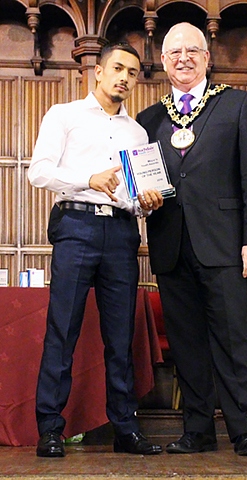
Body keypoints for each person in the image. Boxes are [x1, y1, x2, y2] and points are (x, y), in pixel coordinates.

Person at [136, 23, 247, 456]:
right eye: (175, 51)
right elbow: (142, 184)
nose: (184, 58)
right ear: (163, 60)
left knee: (232, 341)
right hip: (171, 246)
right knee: (187, 345)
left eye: (193, 50)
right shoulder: (148, 119)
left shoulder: (237, 104)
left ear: (207, 58)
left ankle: (244, 431)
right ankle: (197, 430)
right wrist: (143, 201)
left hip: (224, 245)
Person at [28, 42, 164, 458]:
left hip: (122, 233)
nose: (125, 77)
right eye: (118, 68)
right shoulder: (64, 115)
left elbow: (128, 193)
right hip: (76, 226)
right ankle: (51, 428)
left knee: (120, 337)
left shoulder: (137, 133)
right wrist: (89, 177)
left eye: (133, 72)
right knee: (62, 330)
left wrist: (143, 201)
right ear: (99, 72)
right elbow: (39, 171)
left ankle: (125, 428)